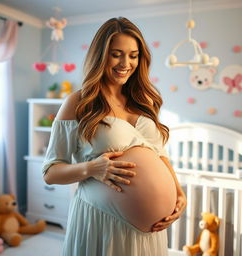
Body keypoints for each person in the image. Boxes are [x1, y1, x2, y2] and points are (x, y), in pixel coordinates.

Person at [42, 17, 186, 256]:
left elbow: (160, 155)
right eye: (116, 54)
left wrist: (179, 194)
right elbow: (50, 173)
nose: (125, 63)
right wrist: (92, 168)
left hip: (151, 231)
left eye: (133, 55)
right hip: (103, 222)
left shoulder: (144, 102)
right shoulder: (79, 102)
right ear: (101, 56)